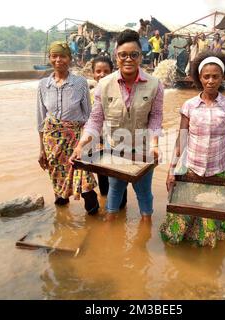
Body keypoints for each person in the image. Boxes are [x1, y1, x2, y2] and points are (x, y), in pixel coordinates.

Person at [70, 29, 164, 222]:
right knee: (114, 190)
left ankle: (146, 227)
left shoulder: (155, 84)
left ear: (140, 56)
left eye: (133, 54)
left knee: (144, 193)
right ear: (116, 56)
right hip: (115, 150)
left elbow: (155, 117)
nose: (128, 59)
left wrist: (155, 145)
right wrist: (81, 145)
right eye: (123, 55)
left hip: (143, 151)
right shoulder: (104, 84)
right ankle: (110, 226)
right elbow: (95, 120)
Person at [160, 51, 225, 247]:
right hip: (192, 168)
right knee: (184, 215)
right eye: (206, 76)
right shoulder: (189, 105)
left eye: (215, 76)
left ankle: (207, 254)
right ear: (199, 78)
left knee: (211, 216)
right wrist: (171, 170)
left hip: (217, 171)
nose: (211, 81)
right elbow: (181, 140)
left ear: (222, 78)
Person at [37, 41, 99, 214]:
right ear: (49, 58)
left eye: (62, 56)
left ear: (70, 59)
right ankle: (62, 221)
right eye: (54, 56)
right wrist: (41, 149)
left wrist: (88, 144)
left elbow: (88, 116)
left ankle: (95, 220)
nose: (58, 60)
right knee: (58, 181)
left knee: (85, 181)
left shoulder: (80, 83)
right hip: (52, 141)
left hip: (76, 139)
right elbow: (41, 120)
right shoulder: (43, 85)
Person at [90, 56, 128, 209]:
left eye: (106, 71)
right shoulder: (91, 94)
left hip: (117, 141)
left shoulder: (121, 91)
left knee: (119, 176)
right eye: (98, 71)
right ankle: (107, 205)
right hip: (98, 142)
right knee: (103, 178)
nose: (102, 74)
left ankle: (121, 207)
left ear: (112, 72)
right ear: (93, 74)